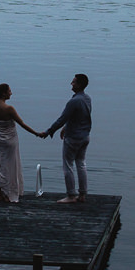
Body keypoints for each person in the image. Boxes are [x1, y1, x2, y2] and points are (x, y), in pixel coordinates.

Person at [0, 83, 43, 203]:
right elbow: (22, 123)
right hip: (10, 142)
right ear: (3, 93)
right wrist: (36, 133)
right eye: (9, 91)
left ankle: (0, 193)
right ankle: (9, 194)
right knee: (10, 167)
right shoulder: (9, 109)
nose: (11, 93)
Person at [42, 73, 92, 203]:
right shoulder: (87, 99)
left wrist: (49, 131)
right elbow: (79, 116)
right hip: (85, 136)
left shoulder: (73, 101)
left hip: (73, 138)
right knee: (81, 164)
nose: (71, 83)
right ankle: (82, 194)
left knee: (68, 166)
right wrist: (65, 127)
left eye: (74, 82)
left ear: (79, 85)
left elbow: (62, 118)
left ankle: (71, 195)